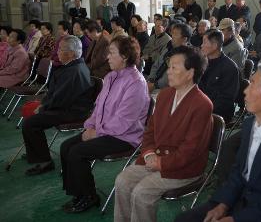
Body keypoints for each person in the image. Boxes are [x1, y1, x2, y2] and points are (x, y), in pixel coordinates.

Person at [175, 60, 261, 222]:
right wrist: (223, 204)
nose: (245, 91)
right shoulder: (249, 124)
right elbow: (239, 171)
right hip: (244, 199)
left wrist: (236, 219)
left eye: (253, 85)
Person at [114, 46, 213, 222]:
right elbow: (150, 131)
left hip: (184, 168)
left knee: (142, 192)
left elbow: (190, 150)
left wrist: (160, 163)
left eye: (174, 67)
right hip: (156, 158)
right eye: (169, 67)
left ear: (190, 73)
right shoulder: (165, 95)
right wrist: (150, 154)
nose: (169, 72)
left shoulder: (202, 104)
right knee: (123, 180)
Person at [61, 35, 149, 213]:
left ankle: (89, 197)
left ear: (124, 57)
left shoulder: (136, 83)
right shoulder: (111, 77)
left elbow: (124, 121)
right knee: (66, 146)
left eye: (111, 53)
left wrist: (96, 133)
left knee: (78, 152)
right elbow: (98, 107)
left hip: (125, 136)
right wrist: (89, 126)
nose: (107, 57)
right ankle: (78, 192)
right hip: (105, 130)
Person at [22, 35, 93, 176]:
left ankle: (44, 162)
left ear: (71, 54)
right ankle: (36, 152)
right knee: (31, 121)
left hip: (73, 111)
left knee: (30, 123)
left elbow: (60, 98)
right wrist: (43, 104)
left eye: (61, 49)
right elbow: (56, 95)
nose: (57, 52)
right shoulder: (72, 66)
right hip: (66, 107)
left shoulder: (75, 71)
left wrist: (42, 107)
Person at [199, 29, 239, 123]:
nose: (201, 46)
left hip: (217, 113)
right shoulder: (202, 62)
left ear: (214, 46)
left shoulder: (230, 67)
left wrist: (201, 109)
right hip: (200, 106)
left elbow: (226, 100)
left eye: (204, 42)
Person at [147, 23, 191, 91]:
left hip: (169, 88)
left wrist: (154, 85)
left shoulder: (186, 55)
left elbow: (170, 77)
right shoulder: (169, 47)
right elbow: (156, 64)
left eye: (176, 34)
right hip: (154, 83)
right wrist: (150, 79)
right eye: (172, 33)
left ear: (184, 39)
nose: (172, 36)